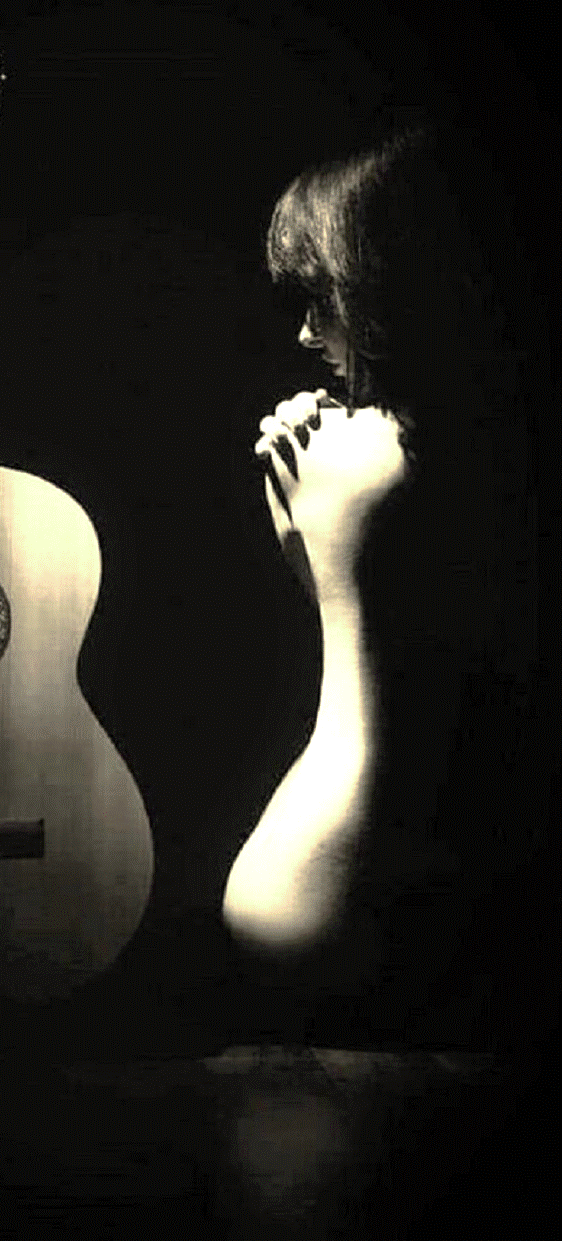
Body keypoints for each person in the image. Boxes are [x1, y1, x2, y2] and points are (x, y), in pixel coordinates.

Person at [222, 128, 530, 1023]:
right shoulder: (469, 457)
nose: (305, 331)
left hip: (322, 881)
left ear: (381, 285)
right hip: (407, 907)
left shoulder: (336, 453)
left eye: (320, 298)